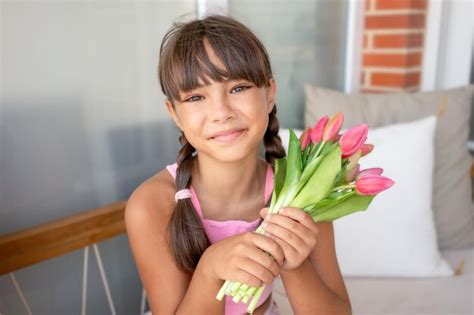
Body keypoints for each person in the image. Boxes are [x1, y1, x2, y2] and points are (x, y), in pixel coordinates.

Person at [125, 14, 351, 315]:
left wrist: (295, 266)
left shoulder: (302, 192)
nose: (221, 112)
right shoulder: (151, 205)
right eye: (195, 97)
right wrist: (210, 269)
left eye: (238, 88)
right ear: (175, 113)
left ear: (269, 94)